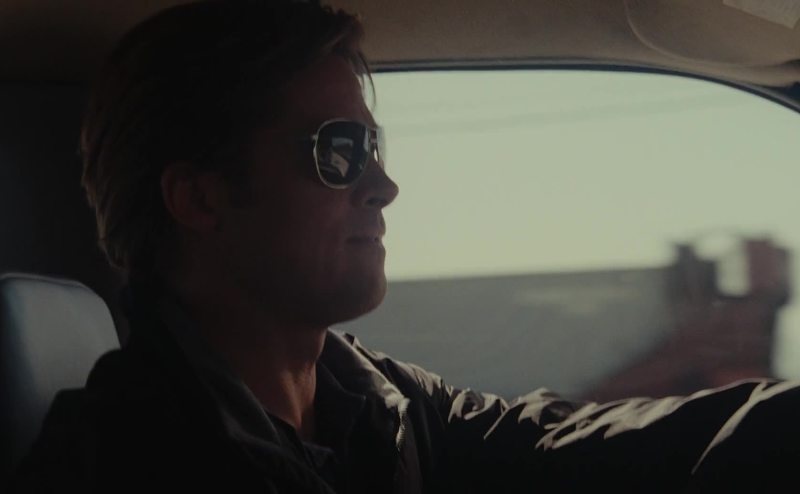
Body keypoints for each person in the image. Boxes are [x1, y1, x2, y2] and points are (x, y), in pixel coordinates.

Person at [9, 1, 800, 492]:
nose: (384, 185)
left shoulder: (378, 406)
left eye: (375, 147)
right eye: (340, 150)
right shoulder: (116, 465)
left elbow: (575, 452)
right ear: (200, 198)